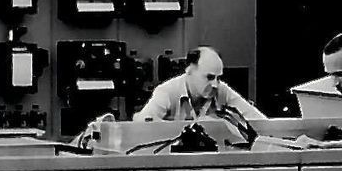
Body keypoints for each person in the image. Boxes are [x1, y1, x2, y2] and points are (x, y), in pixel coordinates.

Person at [81, 44, 263, 145]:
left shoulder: (221, 91)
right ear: (190, 70)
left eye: (218, 78)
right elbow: (142, 125)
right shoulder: (167, 92)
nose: (215, 84)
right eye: (209, 77)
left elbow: (260, 122)